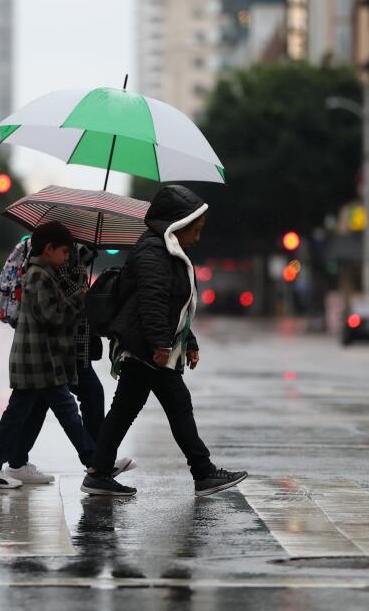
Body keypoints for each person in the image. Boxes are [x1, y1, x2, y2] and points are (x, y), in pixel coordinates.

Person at [81, 184, 247, 498]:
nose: (197, 237)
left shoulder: (165, 251)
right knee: (175, 407)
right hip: (146, 348)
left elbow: (176, 306)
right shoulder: (154, 251)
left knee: (127, 410)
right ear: (177, 225)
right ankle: (203, 472)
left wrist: (190, 342)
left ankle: (99, 472)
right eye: (195, 229)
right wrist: (161, 344)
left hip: (148, 347)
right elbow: (153, 302)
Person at [0, 222, 97, 489]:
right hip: (38, 361)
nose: (66, 258)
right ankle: (95, 462)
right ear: (49, 249)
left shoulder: (42, 273)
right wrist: (79, 299)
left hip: (38, 360)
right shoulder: (38, 276)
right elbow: (53, 316)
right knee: (65, 411)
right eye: (64, 252)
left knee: (21, 414)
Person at [6, 242, 135, 484]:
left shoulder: (75, 255)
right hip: (63, 347)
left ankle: (15, 462)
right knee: (80, 399)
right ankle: (98, 462)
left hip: (70, 345)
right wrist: (83, 294)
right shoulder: (60, 258)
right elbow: (59, 306)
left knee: (39, 403)